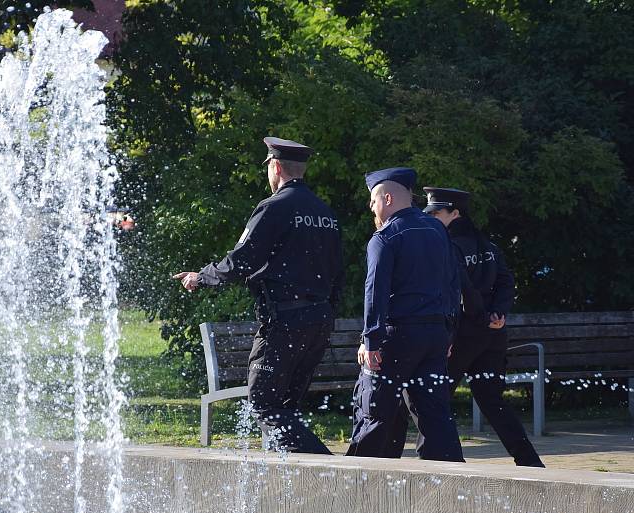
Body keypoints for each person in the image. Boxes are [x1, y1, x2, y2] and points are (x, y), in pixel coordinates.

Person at [173, 137, 343, 455]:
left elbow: (243, 259)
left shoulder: (274, 207)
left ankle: (327, 470)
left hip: (285, 322)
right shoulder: (326, 214)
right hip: (318, 322)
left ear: (274, 166)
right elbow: (338, 274)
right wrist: (326, 315)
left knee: (264, 403)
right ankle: (301, 481)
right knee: (287, 408)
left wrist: (202, 277)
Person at [413, 187, 544, 467]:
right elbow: (506, 282)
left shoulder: (449, 245)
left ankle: (435, 459)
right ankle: (529, 460)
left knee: (433, 396)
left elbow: (463, 288)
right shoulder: (488, 245)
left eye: (437, 212)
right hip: (493, 335)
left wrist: (482, 316)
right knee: (492, 400)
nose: (433, 218)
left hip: (464, 333)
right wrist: (498, 314)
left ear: (455, 213)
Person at [346, 167, 464, 462]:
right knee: (436, 416)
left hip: (397, 336)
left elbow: (375, 292)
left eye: (373, 202)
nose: (371, 209)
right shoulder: (437, 229)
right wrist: (449, 331)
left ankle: (358, 483)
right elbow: (452, 283)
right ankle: (450, 483)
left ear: (386, 198)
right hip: (435, 335)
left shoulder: (384, 237)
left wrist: (371, 341)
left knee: (374, 412)